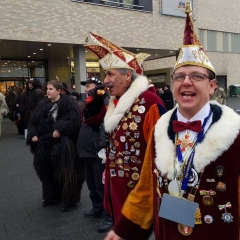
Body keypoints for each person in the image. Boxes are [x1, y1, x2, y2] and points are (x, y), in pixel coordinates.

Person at [105, 2, 240, 240]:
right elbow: (147, 189)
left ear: (211, 86)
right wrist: (123, 230)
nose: (186, 82)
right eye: (179, 76)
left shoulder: (235, 135)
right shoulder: (161, 130)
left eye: (196, 76)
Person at [84, 32, 166, 226]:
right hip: (116, 182)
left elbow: (162, 150)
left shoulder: (150, 102)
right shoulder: (114, 101)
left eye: (110, 74)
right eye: (106, 75)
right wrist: (95, 102)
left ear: (128, 75)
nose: (105, 80)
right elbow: (92, 121)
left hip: (139, 188)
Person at [27, 79, 85, 212]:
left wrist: (60, 128)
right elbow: (33, 121)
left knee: (65, 173)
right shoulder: (42, 104)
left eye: (51, 89)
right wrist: (33, 134)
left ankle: (69, 200)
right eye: (47, 89)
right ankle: (51, 197)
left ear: (59, 91)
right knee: (46, 172)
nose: (47, 91)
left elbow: (74, 120)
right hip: (44, 143)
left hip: (63, 144)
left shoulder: (69, 103)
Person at [77, 76, 113, 233]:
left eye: (89, 86)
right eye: (85, 86)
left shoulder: (103, 102)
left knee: (102, 186)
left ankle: (108, 216)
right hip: (87, 151)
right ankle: (97, 208)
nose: (85, 89)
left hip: (98, 151)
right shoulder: (89, 103)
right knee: (92, 184)